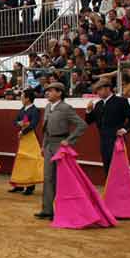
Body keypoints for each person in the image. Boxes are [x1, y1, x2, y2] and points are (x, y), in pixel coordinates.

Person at [36, 83, 87, 220]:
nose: (47, 93)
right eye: (47, 91)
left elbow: (82, 125)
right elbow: (45, 129)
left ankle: (61, 210)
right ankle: (47, 209)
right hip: (49, 146)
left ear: (59, 93)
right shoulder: (47, 107)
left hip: (60, 146)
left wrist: (69, 140)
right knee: (48, 178)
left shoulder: (66, 108)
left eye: (50, 91)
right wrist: (44, 145)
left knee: (60, 179)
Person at [85, 79, 130, 176]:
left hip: (116, 140)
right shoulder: (98, 104)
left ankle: (119, 190)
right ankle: (110, 190)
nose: (97, 93)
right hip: (104, 140)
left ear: (107, 88)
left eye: (99, 90)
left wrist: (125, 129)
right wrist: (88, 111)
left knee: (118, 166)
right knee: (107, 166)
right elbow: (89, 121)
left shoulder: (121, 101)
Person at [8, 89, 43, 195]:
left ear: (28, 98)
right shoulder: (23, 109)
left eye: (22, 96)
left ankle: (30, 187)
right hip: (23, 138)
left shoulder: (35, 110)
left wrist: (24, 131)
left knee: (30, 161)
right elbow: (15, 121)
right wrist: (20, 124)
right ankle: (19, 184)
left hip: (30, 138)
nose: (21, 98)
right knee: (21, 161)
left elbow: (33, 124)